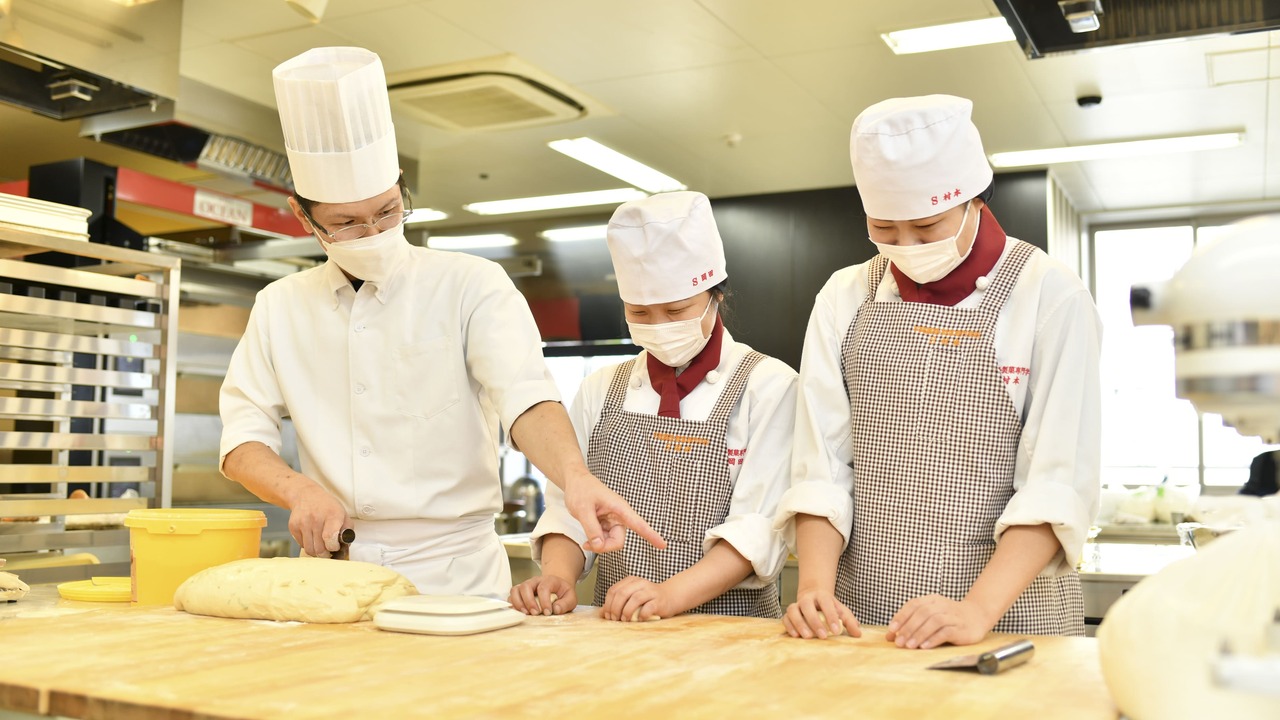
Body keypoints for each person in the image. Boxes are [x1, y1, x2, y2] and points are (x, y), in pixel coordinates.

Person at [219, 46, 662, 597]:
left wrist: (574, 476)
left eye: (386, 211)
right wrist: (298, 491)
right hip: (334, 571)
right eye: (348, 223)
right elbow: (241, 440)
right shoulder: (280, 306)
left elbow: (525, 399)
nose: (374, 232)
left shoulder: (471, 284)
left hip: (455, 573)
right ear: (302, 216)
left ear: (401, 185)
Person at [776, 95, 1102, 647]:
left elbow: (1055, 482)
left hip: (1006, 619)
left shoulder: (1049, 295)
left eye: (926, 228)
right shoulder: (844, 296)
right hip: (866, 617)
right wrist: (814, 589)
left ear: (974, 200)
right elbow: (823, 468)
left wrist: (976, 611)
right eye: (884, 229)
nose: (904, 249)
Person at [509, 191, 796, 620]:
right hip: (619, 628)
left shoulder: (768, 386)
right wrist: (559, 577)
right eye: (640, 314)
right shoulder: (601, 389)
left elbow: (758, 528)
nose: (659, 327)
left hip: (733, 633)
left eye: (676, 310)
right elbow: (569, 508)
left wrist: (667, 596)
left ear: (716, 295)